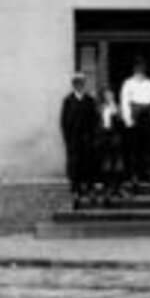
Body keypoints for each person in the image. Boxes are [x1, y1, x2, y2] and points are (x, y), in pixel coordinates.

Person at [59, 72, 99, 207]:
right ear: (73, 85)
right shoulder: (68, 101)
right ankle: (76, 189)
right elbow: (64, 121)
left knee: (89, 163)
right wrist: (67, 138)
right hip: (74, 138)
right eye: (76, 83)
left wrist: (94, 136)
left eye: (81, 83)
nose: (79, 85)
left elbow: (95, 120)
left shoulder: (90, 100)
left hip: (87, 137)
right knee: (74, 163)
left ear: (84, 84)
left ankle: (89, 187)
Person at [119, 58, 150, 187]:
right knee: (134, 147)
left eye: (142, 69)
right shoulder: (128, 83)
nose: (140, 71)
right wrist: (128, 119)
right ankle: (134, 174)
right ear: (134, 70)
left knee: (148, 146)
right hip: (135, 114)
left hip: (147, 115)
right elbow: (124, 101)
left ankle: (149, 173)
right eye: (138, 69)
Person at [95, 88, 125, 199]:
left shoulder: (117, 107)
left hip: (115, 137)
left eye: (111, 95)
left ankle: (118, 188)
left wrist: (116, 111)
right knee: (106, 164)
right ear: (103, 97)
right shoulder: (100, 108)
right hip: (104, 137)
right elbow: (97, 123)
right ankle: (108, 188)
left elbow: (122, 122)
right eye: (107, 95)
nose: (109, 97)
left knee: (118, 164)